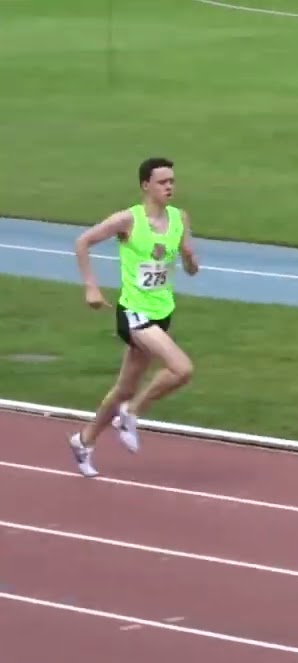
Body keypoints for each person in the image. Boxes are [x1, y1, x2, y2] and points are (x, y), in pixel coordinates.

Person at [67, 157, 200, 477]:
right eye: (162, 182)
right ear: (145, 186)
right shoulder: (128, 220)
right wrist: (91, 289)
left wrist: (190, 259)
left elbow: (190, 268)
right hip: (134, 312)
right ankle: (131, 413)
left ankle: (83, 440)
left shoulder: (179, 219)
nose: (169, 186)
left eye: (172, 181)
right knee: (181, 369)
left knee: (124, 388)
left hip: (162, 311)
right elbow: (82, 242)